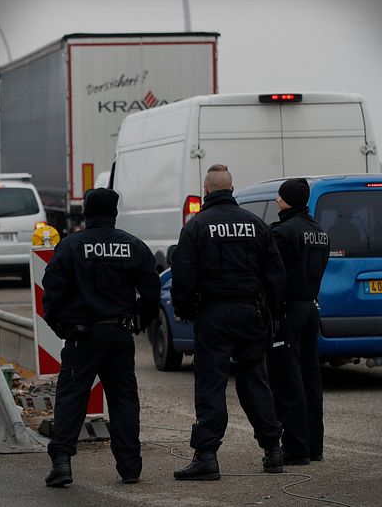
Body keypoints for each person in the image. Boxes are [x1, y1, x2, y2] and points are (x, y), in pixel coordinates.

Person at [171, 164, 287, 480]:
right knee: (255, 382)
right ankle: (273, 450)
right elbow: (275, 273)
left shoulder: (196, 226)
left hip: (214, 316)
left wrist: (186, 309)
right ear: (232, 190)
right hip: (251, 314)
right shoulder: (255, 225)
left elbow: (182, 275)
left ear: (206, 191)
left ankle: (207, 456)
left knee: (211, 385)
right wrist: (270, 311)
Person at [41, 187, 161, 487]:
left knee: (71, 397)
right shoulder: (133, 246)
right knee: (123, 400)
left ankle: (62, 463)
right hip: (119, 333)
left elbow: (52, 295)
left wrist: (63, 329)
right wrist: (139, 323)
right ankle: (130, 467)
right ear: (115, 213)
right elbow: (151, 292)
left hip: (82, 336)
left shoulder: (70, 246)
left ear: (86, 214)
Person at [267, 178, 329, 464]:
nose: (277, 201)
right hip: (309, 309)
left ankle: (296, 448)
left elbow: (274, 275)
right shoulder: (319, 231)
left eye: (279, 197)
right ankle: (314, 446)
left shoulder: (283, 232)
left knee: (287, 380)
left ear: (286, 200)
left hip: (288, 311)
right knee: (310, 380)